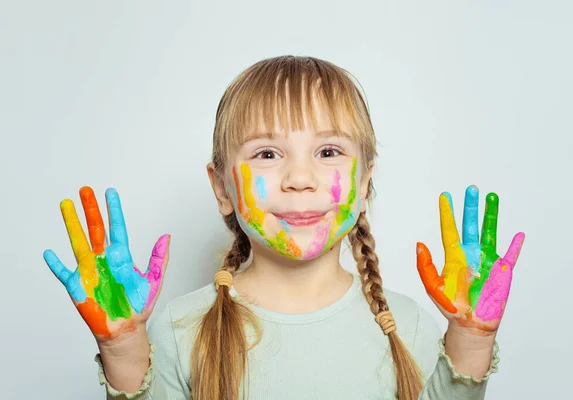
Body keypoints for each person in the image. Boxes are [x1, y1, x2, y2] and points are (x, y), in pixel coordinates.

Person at [43, 55, 525, 400]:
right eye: (267, 154)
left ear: (363, 184)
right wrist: (124, 350)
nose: (299, 179)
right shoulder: (178, 331)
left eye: (329, 152)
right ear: (222, 188)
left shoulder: (407, 327)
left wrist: (472, 340)